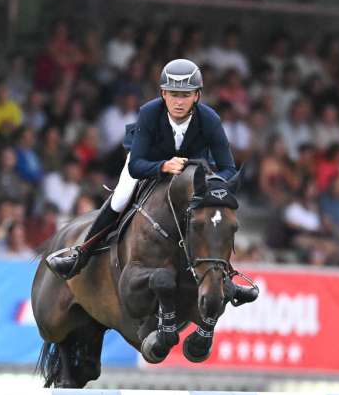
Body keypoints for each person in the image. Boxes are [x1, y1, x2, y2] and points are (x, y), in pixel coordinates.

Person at [45, 58, 256, 305]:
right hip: (148, 164)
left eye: (185, 95)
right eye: (173, 94)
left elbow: (228, 168)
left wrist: (215, 186)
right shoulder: (149, 113)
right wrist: (163, 166)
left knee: (213, 216)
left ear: (197, 96)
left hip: (192, 177)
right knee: (122, 196)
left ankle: (226, 278)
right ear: (163, 93)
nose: (179, 102)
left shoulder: (210, 119)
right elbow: (136, 165)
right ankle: (81, 254)